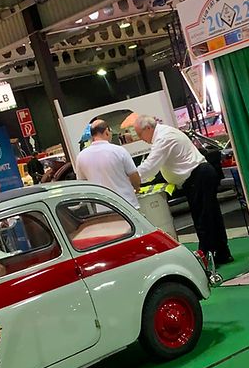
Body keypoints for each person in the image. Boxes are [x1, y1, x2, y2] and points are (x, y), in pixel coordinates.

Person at [132, 112, 231, 264]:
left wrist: (132, 178)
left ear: (148, 128)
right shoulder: (165, 133)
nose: (141, 138)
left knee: (204, 218)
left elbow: (150, 167)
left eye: (140, 134)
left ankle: (206, 255)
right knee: (211, 215)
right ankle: (221, 253)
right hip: (199, 175)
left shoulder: (163, 138)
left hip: (198, 176)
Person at [75, 119, 142, 207]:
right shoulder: (119, 151)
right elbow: (134, 175)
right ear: (106, 132)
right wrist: (136, 188)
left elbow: (83, 185)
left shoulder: (81, 157)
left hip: (102, 208)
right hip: (127, 206)